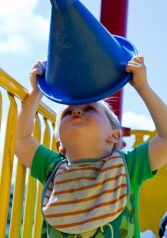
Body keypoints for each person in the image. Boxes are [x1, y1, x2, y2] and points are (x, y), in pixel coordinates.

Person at [15, 56, 167, 238]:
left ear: (114, 136)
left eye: (90, 109)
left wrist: (143, 87)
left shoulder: (127, 166)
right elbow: (19, 139)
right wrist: (36, 92)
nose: (77, 111)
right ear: (59, 145)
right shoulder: (53, 169)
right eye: (68, 113)